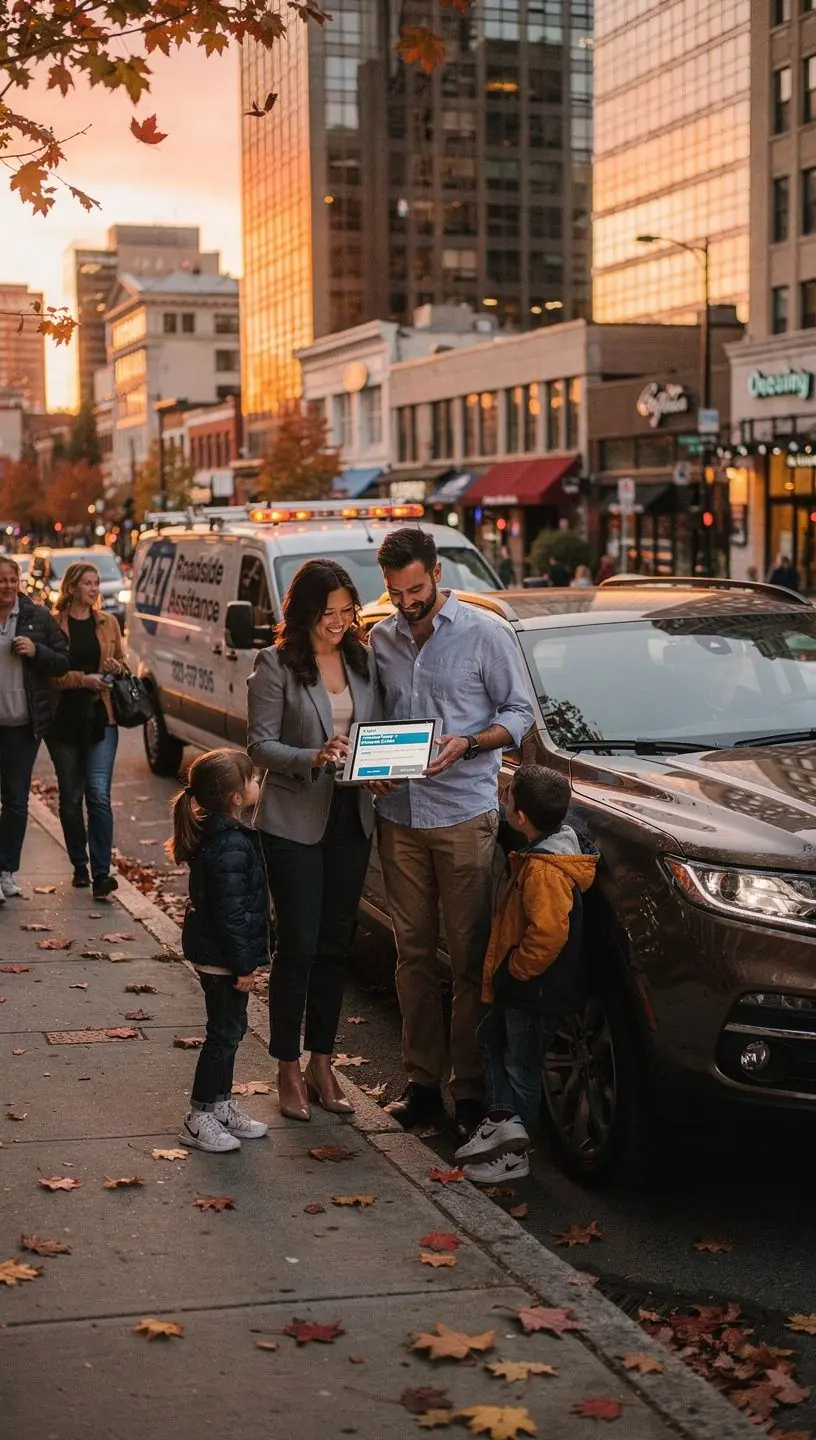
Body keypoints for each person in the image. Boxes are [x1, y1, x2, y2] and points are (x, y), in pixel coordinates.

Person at [369, 527, 533, 1139]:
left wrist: (470, 742)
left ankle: (469, 1090)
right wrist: (373, 771)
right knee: (411, 955)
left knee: (467, 962)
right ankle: (421, 1087)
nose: (406, 603)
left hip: (465, 812)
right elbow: (375, 721)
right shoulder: (380, 638)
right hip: (400, 818)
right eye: (394, 592)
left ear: (437, 573)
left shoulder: (485, 632)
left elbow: (518, 713)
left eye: (415, 590)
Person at [247, 559, 380, 1123]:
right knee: (298, 945)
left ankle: (323, 1061)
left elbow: (377, 729)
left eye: (348, 611)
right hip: (294, 822)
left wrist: (383, 766)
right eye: (329, 613)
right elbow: (258, 745)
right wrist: (311, 757)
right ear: (304, 611)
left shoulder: (362, 658)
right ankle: (286, 1067)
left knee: (333, 945)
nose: (340, 622)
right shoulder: (275, 664)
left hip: (353, 815)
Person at [455, 764, 598, 1184]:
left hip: (532, 989)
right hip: (518, 986)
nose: (502, 799)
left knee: (521, 1064)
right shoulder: (543, 851)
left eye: (507, 797)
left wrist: (517, 970)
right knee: (489, 1038)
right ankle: (501, 1124)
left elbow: (549, 932)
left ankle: (516, 1151)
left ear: (520, 818)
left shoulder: (544, 870)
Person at [169, 748, 270, 1153]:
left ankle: (221, 1105)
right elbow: (232, 913)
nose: (257, 783)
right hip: (223, 957)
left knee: (231, 1031)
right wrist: (245, 965)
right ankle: (198, 1117)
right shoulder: (229, 844)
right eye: (252, 778)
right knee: (223, 1034)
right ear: (236, 797)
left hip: (220, 953)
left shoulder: (223, 834)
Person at [46, 562, 128, 900]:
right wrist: (84, 679)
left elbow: (124, 666)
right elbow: (48, 674)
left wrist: (114, 668)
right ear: (72, 587)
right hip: (63, 720)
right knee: (70, 799)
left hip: (100, 717)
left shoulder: (108, 623)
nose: (95, 589)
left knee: (98, 794)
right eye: (88, 583)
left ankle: (101, 874)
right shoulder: (53, 625)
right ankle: (79, 864)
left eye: (96, 583)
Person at [0, 556, 68, 902]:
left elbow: (62, 659)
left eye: (12, 580)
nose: (7, 586)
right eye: (1, 580)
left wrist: (36, 650)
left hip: (23, 726)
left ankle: (6, 870)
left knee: (14, 800)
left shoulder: (37, 617)